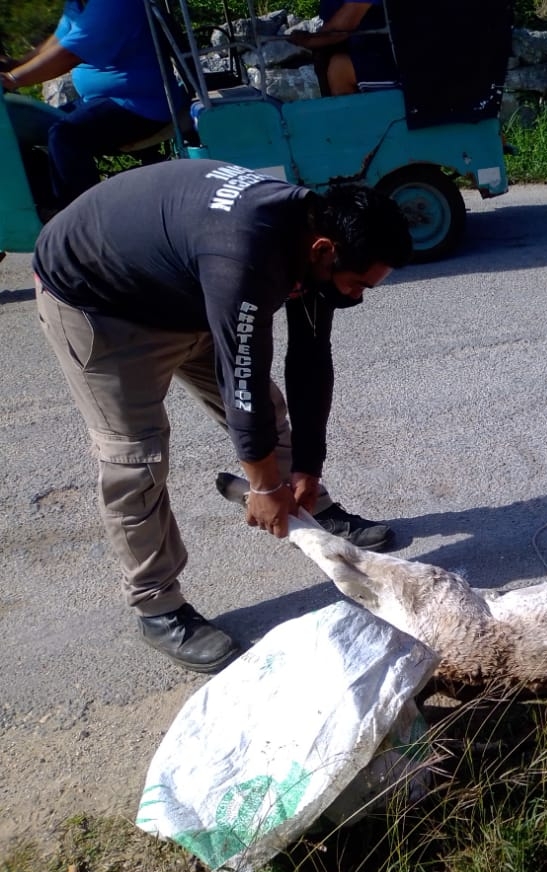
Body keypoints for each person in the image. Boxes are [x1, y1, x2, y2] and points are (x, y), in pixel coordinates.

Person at [33, 159, 413, 674]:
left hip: (184, 288)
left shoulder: (313, 235)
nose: (358, 296)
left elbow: (309, 361)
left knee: (273, 413)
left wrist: (306, 469)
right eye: (357, 284)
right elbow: (244, 379)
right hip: (100, 303)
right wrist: (260, 486)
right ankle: (157, 607)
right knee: (135, 458)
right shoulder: (247, 256)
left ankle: (307, 503)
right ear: (325, 251)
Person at [0, 0, 177, 211]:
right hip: (101, 100)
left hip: (141, 104)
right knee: (18, 129)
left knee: (65, 135)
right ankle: (46, 209)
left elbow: (69, 54)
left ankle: (83, 220)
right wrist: (16, 65)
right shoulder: (80, 4)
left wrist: (12, 79)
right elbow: (58, 42)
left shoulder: (114, 4)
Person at [287, 1, 397, 97]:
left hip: (395, 60)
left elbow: (341, 28)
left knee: (339, 68)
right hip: (367, 50)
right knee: (325, 59)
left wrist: (307, 41)